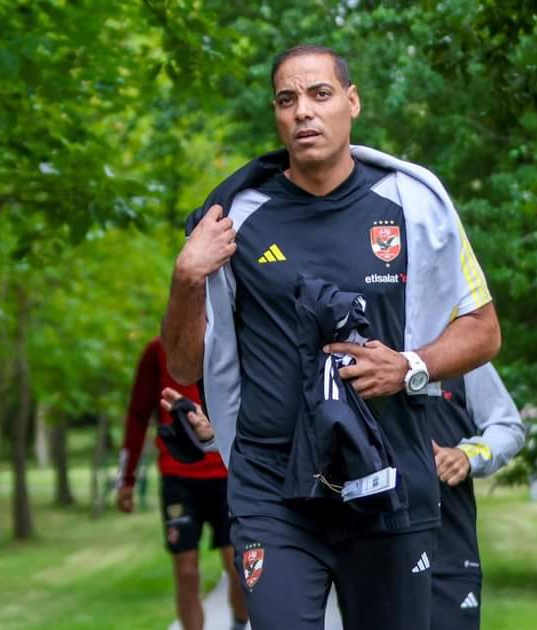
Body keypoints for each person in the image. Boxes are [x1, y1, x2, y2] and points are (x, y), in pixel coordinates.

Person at [163, 44, 501, 630]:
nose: (303, 111)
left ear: (352, 102)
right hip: (273, 488)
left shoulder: (414, 205)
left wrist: (410, 365)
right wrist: (186, 278)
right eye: (286, 99)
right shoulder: (235, 219)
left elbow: (484, 332)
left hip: (388, 478)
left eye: (320, 94)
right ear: (276, 114)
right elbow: (184, 365)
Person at [116, 337, 248, 630]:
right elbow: (138, 414)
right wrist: (126, 479)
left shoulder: (229, 341)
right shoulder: (157, 350)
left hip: (227, 475)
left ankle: (239, 624)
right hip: (179, 478)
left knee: (238, 567)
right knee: (186, 570)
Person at [428, 364, 528, 630]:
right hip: (363, 554)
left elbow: (507, 426)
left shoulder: (461, 350)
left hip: (448, 554)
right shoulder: (348, 347)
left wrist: (467, 455)